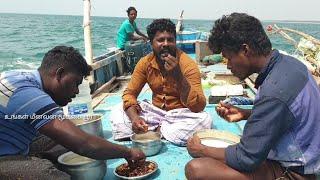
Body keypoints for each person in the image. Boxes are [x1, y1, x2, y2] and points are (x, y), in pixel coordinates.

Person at [185, 13, 319, 180]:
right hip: (307, 157)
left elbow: (246, 159)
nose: (228, 66)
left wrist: (201, 150)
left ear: (245, 50)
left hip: (295, 172)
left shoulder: (274, 91)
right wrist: (247, 113)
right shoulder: (290, 64)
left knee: (197, 169)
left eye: (229, 58)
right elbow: (288, 114)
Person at [0, 46, 145, 179]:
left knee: (67, 136)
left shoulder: (22, 77)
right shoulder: (28, 94)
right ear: (59, 74)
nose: (76, 91)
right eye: (76, 83)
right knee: (50, 174)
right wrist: (128, 152)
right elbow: (83, 144)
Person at [110, 19, 212, 146]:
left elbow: (198, 106)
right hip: (154, 113)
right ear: (151, 43)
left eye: (170, 40)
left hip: (181, 115)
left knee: (205, 120)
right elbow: (130, 94)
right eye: (160, 40)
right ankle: (163, 132)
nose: (165, 44)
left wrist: (178, 75)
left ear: (175, 42)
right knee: (117, 110)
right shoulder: (145, 63)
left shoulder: (188, 64)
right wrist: (135, 118)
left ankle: (155, 131)